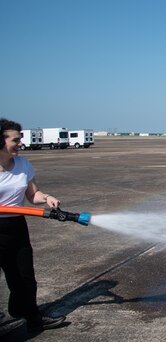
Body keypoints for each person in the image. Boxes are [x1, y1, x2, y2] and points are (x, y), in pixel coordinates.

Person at [0, 118, 66, 332]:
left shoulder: (23, 164)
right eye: (15, 140)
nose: (20, 143)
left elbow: (32, 194)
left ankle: (32, 316)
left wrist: (46, 197)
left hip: (16, 227)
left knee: (25, 278)